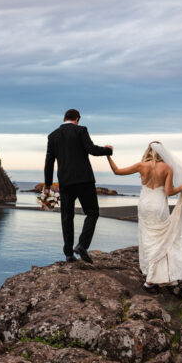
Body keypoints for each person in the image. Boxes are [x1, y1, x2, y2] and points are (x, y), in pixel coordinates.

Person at [107, 141, 182, 287]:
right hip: (159, 205)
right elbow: (169, 192)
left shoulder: (141, 165)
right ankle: (155, 276)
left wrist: (108, 156)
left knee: (148, 238)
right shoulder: (167, 168)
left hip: (144, 205)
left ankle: (150, 272)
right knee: (161, 239)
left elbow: (116, 171)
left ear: (148, 151)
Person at [43, 109, 114, 263]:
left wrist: (48, 184)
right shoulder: (81, 130)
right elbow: (92, 149)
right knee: (92, 212)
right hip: (84, 180)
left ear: (64, 118)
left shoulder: (52, 136)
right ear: (77, 119)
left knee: (67, 217)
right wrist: (108, 150)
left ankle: (68, 254)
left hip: (65, 182)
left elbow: (49, 162)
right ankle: (82, 245)